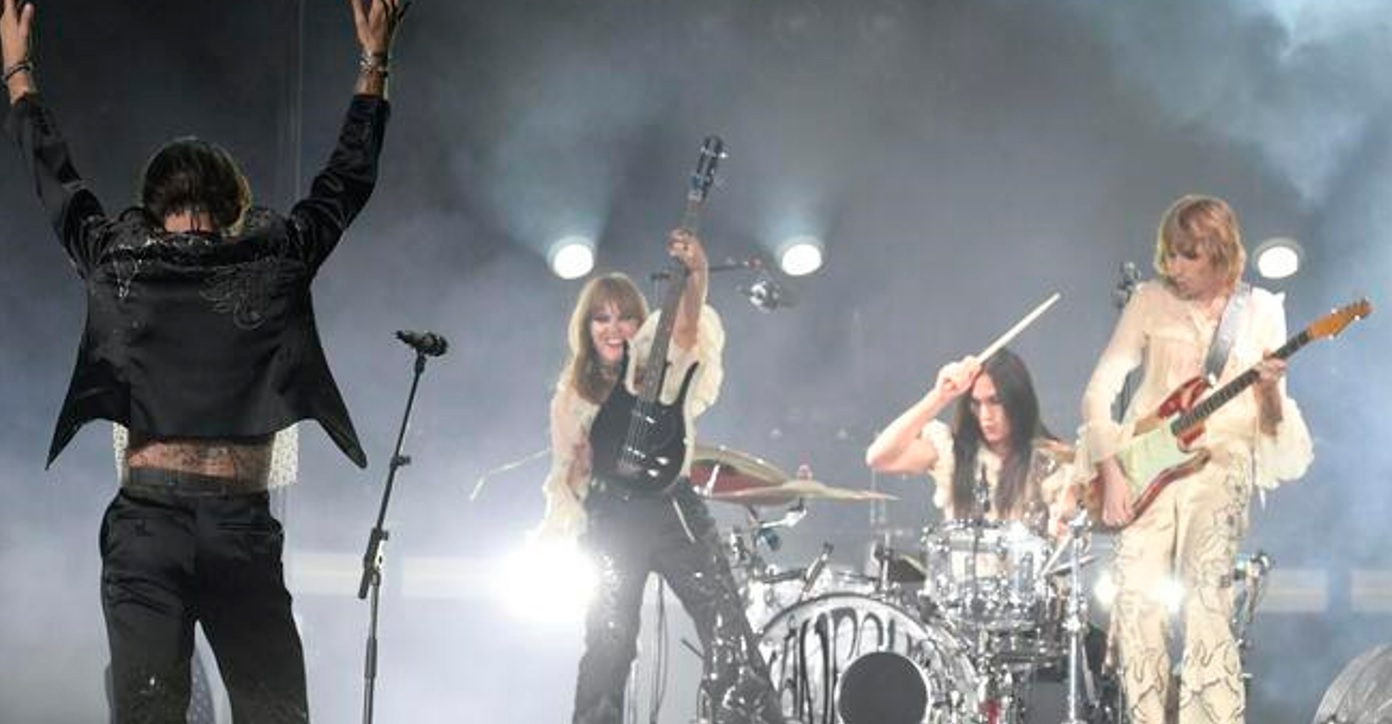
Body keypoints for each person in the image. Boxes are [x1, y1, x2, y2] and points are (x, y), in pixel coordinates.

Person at [2, 0, 406, 720]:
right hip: (151, 523)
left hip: (236, 526)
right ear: (159, 212)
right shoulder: (132, 262)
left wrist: (375, 64)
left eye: (202, 206)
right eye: (179, 206)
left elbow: (346, 184)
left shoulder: (263, 257)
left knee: (274, 710)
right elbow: (56, 183)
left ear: (229, 209)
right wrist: (16, 72)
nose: (191, 222)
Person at [1080, 194, 1313, 723]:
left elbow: (1270, 425)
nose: (1173, 268)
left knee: (1206, 600)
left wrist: (1270, 389)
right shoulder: (1148, 300)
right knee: (1137, 607)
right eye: (1169, 255)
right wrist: (1112, 471)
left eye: (1188, 256)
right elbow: (1099, 392)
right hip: (1145, 467)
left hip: (1220, 463)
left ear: (1220, 253)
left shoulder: (1259, 311)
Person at [533, 233, 783, 724]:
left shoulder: (654, 363)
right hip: (610, 521)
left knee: (726, 629)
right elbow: (567, 478)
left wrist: (698, 273)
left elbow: (688, 330)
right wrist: (580, 468)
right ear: (586, 327)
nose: (614, 328)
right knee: (608, 645)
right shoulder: (571, 395)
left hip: (671, 509)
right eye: (601, 318)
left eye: (624, 316)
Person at [865, 347, 1076, 533]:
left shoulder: (1049, 460)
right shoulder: (953, 452)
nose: (985, 415)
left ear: (1018, 401)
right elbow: (879, 458)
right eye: (976, 403)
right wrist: (939, 396)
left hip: (1028, 577)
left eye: (995, 401)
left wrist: (1061, 522)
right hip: (962, 577)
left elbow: (1072, 522)